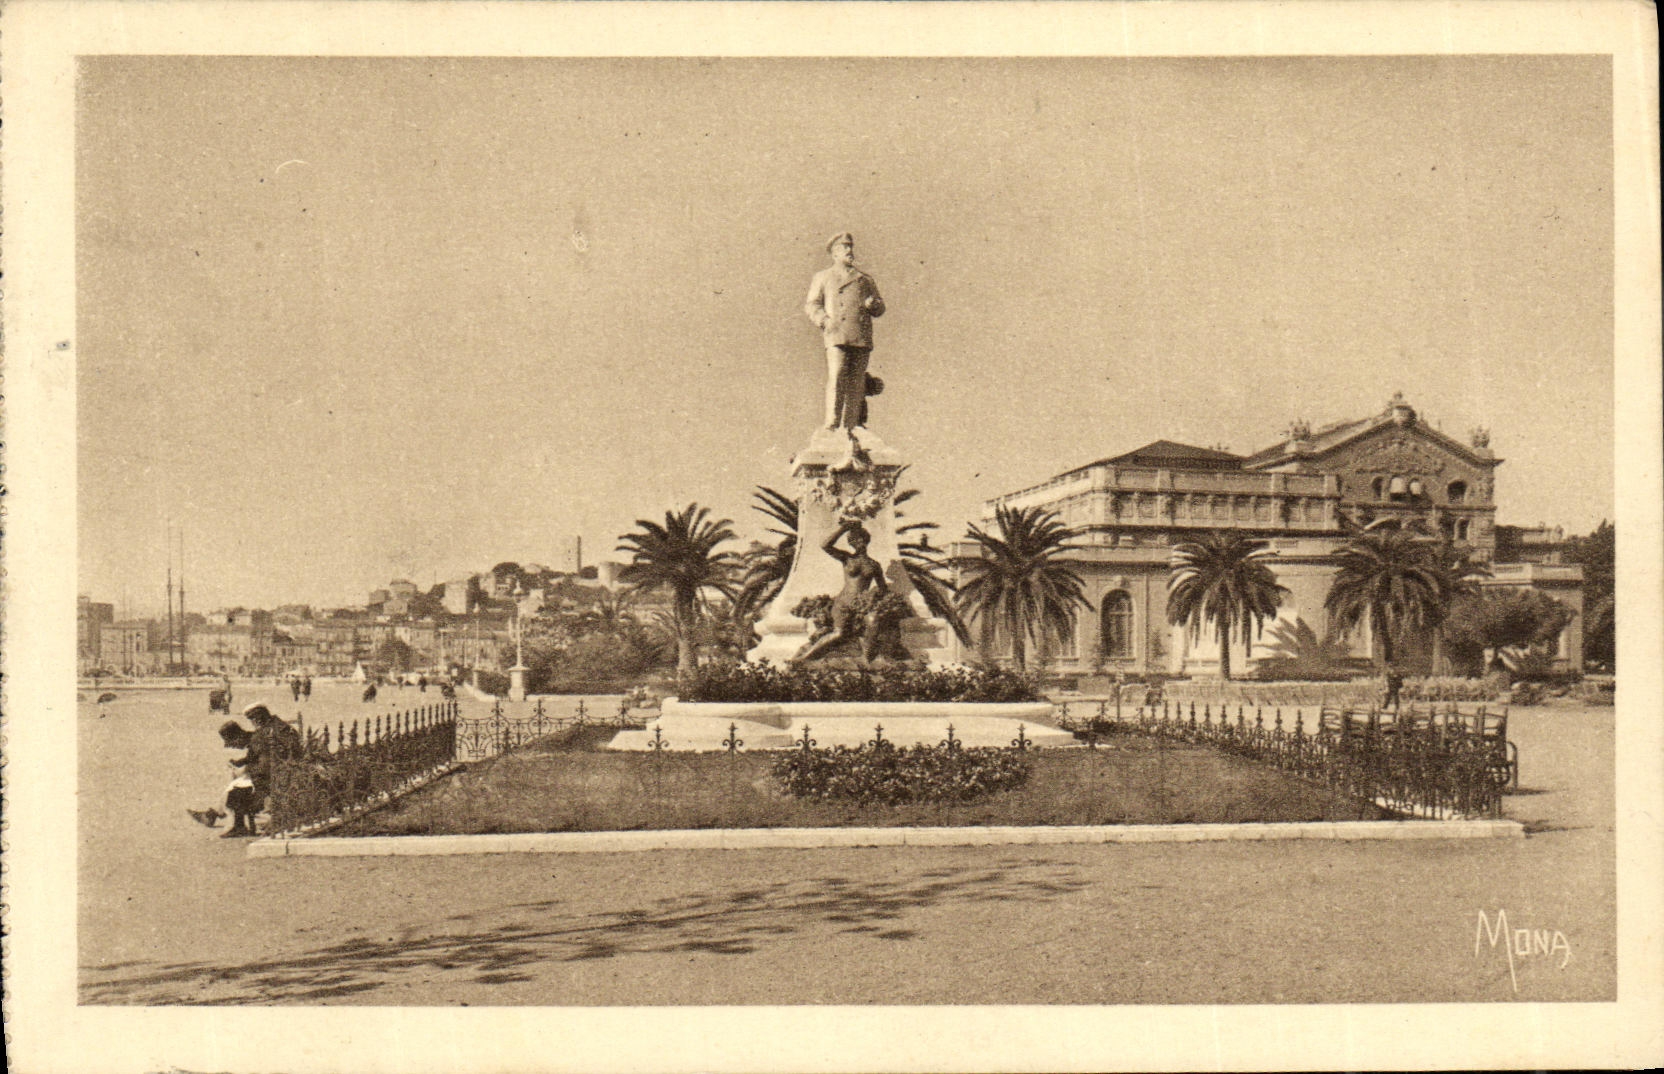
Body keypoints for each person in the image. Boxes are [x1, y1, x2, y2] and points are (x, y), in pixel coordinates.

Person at [804, 232, 885, 430]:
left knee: (857, 382)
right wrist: (824, 320)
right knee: (837, 376)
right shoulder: (823, 277)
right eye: (844, 247)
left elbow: (880, 308)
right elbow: (812, 304)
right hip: (837, 333)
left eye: (850, 247)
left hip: (860, 335)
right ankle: (832, 423)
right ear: (834, 253)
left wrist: (872, 304)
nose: (849, 251)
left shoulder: (864, 280)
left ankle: (850, 426)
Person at [797, 519, 889, 663]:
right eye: (853, 540)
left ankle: (867, 661)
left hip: (862, 606)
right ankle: (804, 658)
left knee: (873, 622)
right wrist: (843, 529)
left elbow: (883, 588)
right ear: (851, 543)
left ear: (866, 540)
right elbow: (825, 545)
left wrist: (877, 595)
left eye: (860, 539)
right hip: (843, 603)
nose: (858, 543)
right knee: (838, 634)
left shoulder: (874, 565)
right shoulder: (847, 558)